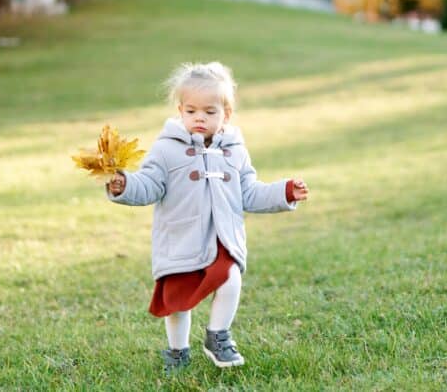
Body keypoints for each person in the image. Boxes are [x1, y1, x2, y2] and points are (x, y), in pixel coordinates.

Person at [106, 61, 309, 371]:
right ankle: (177, 352)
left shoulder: (235, 151)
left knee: (230, 278)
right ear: (180, 110)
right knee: (178, 304)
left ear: (226, 114)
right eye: (191, 111)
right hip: (182, 239)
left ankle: (218, 335)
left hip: (222, 238)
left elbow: (250, 193)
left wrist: (284, 193)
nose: (199, 117)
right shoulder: (166, 149)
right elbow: (149, 185)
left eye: (209, 112)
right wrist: (125, 184)